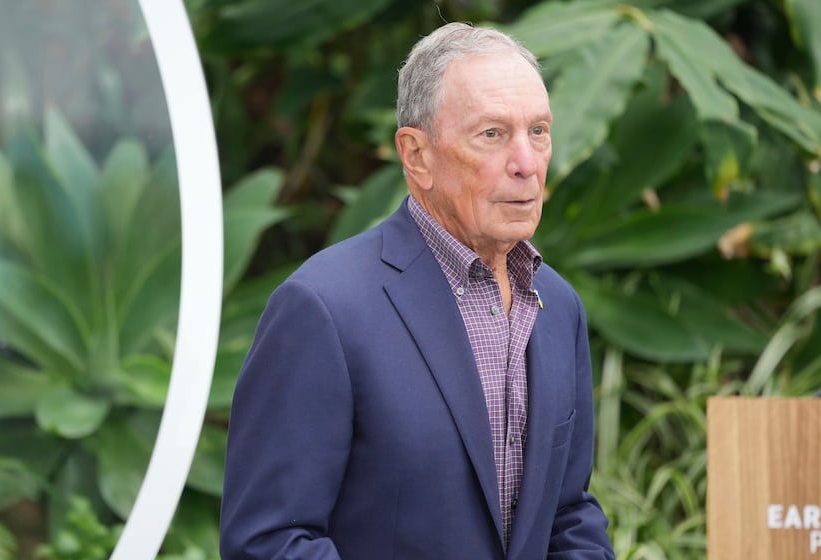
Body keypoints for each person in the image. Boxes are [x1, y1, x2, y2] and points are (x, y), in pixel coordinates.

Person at [219, 22, 614, 559]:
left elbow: (569, 515)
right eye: (492, 135)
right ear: (417, 155)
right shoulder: (324, 309)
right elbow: (267, 543)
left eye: (538, 131)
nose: (527, 164)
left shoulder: (558, 306)